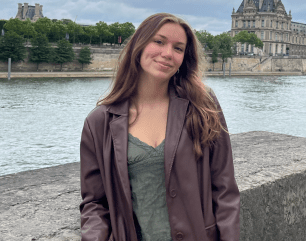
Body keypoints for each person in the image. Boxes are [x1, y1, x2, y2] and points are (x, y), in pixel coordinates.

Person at [80, 13, 240, 241]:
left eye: (178, 48)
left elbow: (224, 189)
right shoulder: (99, 122)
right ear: (139, 44)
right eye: (159, 41)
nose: (167, 54)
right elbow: (95, 203)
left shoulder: (202, 106)